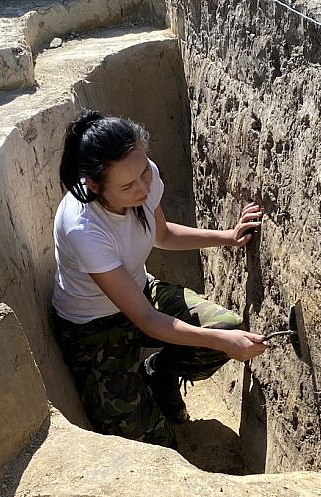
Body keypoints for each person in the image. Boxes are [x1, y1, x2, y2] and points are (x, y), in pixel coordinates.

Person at [51, 110, 268, 447]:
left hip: (141, 291)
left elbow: (163, 235)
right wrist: (222, 344)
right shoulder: (83, 228)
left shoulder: (141, 177)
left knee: (224, 327)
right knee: (155, 445)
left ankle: (158, 374)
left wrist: (227, 236)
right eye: (127, 185)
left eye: (143, 173)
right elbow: (145, 318)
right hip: (94, 330)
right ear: (94, 185)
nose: (142, 188)